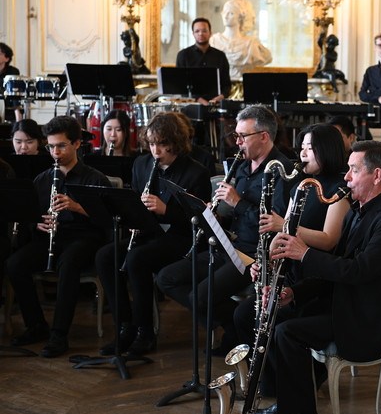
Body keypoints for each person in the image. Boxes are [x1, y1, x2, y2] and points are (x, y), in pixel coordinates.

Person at [262, 140, 381, 414]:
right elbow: (339, 269)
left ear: (377, 175)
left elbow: (358, 271)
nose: (346, 178)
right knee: (284, 315)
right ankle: (291, 406)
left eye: (354, 170)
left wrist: (304, 254)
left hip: (371, 320)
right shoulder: (360, 212)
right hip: (352, 305)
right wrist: (294, 291)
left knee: (289, 333)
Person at [156, 104, 293, 354]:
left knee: (200, 297)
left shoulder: (280, 171)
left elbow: (274, 223)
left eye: (243, 136)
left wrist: (237, 203)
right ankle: (234, 327)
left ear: (264, 136)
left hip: (255, 255)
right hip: (230, 245)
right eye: (236, 136)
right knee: (167, 278)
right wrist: (215, 213)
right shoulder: (242, 165)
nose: (237, 142)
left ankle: (239, 332)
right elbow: (234, 214)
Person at [232, 123, 349, 404]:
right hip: (290, 272)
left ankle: (293, 383)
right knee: (245, 315)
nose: (302, 153)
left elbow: (329, 239)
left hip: (316, 278)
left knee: (273, 320)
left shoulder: (338, 190)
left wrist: (285, 224)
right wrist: (266, 261)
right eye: (302, 147)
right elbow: (282, 234)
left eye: (309, 148)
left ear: (326, 150)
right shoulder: (300, 185)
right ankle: (273, 382)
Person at [94, 112, 211, 356]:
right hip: (149, 233)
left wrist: (166, 210)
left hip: (181, 238)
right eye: (151, 143)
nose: (156, 150)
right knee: (105, 256)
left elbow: (200, 221)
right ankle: (124, 327)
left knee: (138, 259)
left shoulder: (195, 172)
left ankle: (144, 332)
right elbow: (134, 201)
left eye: (162, 144)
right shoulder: (141, 164)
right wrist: (132, 217)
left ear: (175, 141)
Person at [6, 116, 111, 358]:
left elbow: (108, 222)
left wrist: (77, 207)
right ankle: (36, 326)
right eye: (51, 146)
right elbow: (30, 218)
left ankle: (59, 334)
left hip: (84, 238)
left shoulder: (95, 179)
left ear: (76, 144)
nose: (55, 152)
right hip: (52, 238)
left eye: (61, 146)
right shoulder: (42, 180)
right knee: (15, 264)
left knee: (69, 262)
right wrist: (38, 225)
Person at [209, 0, 273, 79]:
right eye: (224, 13)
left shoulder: (250, 43)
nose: (226, 17)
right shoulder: (214, 41)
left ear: (240, 17)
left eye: (231, 13)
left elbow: (267, 58)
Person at [176, 17, 231, 104]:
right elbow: (181, 85)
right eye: (197, 31)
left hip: (216, 103)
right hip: (191, 104)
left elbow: (226, 84)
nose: (200, 34)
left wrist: (220, 97)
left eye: (204, 31)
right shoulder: (183, 55)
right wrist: (200, 100)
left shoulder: (220, 56)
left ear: (210, 33)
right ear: (193, 34)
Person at [1, 42, 22, 123]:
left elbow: (15, 94)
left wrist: (18, 116)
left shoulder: (13, 71)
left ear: (7, 58)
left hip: (8, 108)